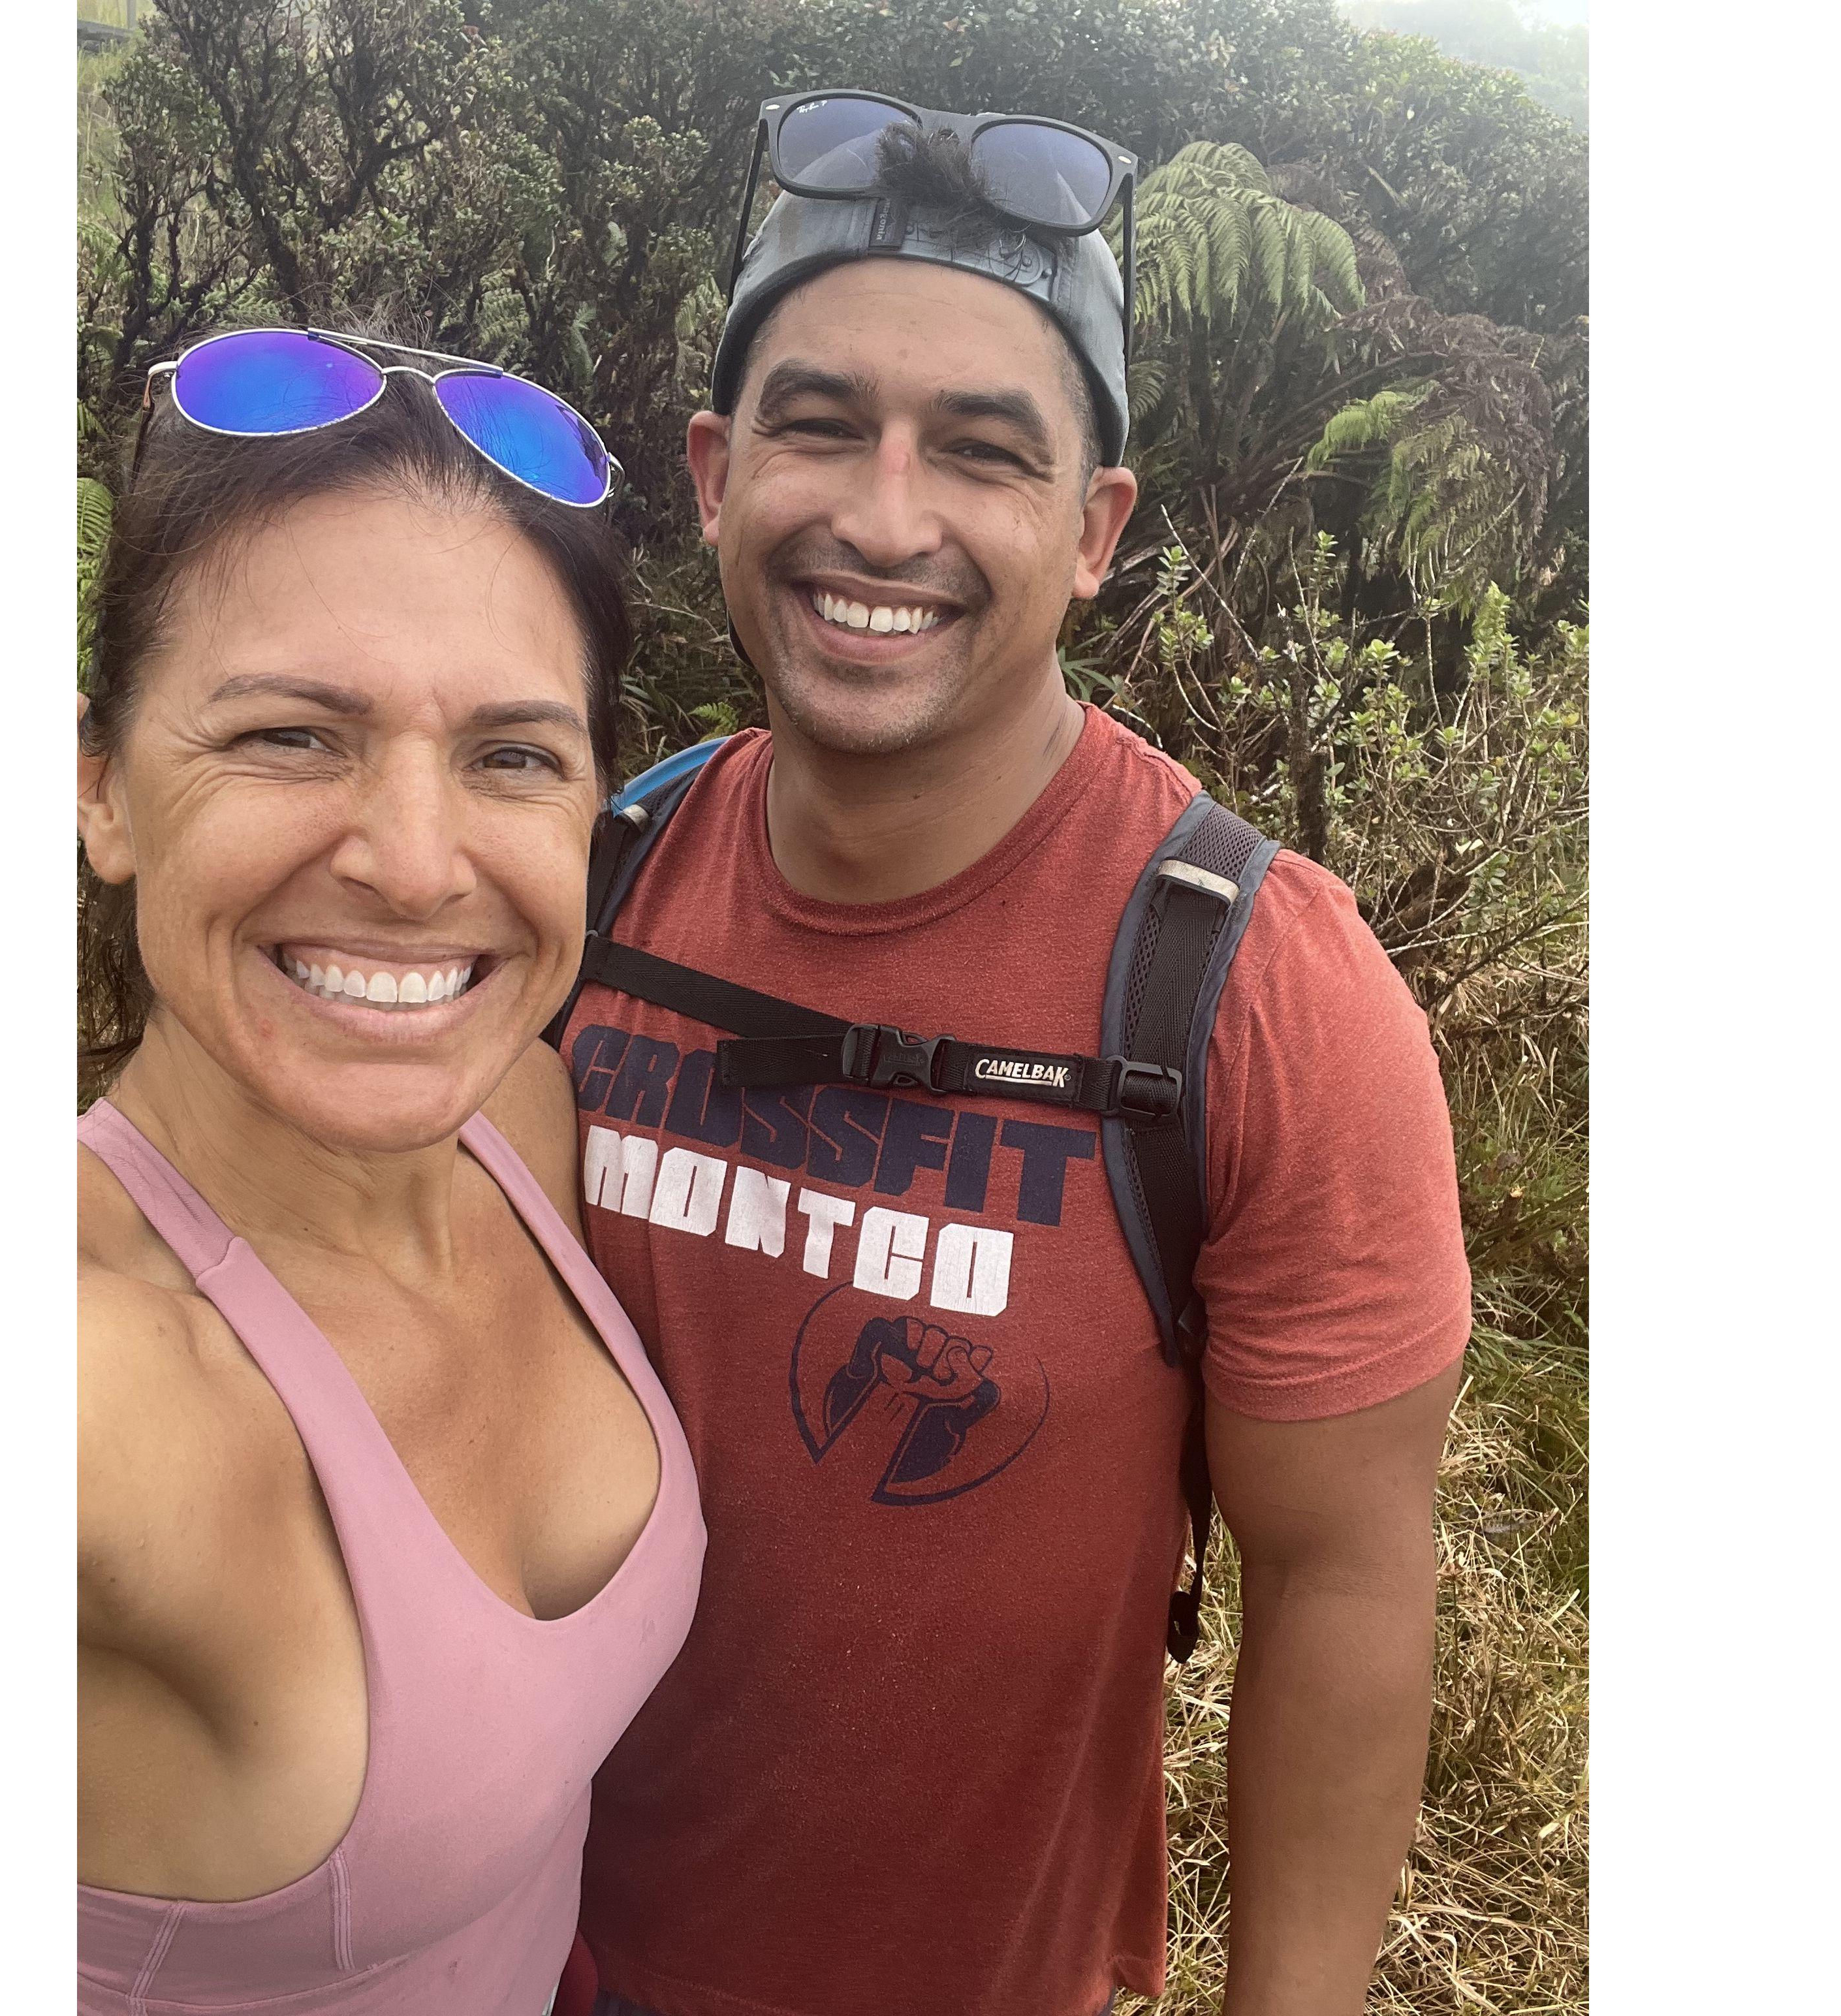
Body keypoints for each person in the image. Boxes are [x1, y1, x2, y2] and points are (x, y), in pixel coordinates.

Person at [558, 107, 1471, 2016]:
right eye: (819, 427)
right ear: (716, 476)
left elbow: (1346, 1586)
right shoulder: (589, 880)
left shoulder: (1258, 994)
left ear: (1094, 531)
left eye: (982, 454)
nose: (885, 518)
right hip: (490, 1960)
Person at [76, 326, 704, 2016]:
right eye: (291, 736)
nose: (418, 866)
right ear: (104, 792)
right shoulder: (87, 1370)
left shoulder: (525, 1128)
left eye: (512, 755)